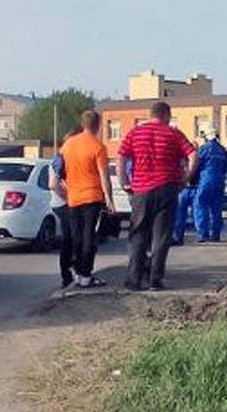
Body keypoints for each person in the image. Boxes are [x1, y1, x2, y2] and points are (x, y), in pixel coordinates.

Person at [118, 102, 197, 291]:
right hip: (167, 189)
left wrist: (124, 182)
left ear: (150, 114)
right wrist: (186, 178)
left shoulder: (135, 133)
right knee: (161, 237)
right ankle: (155, 279)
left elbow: (121, 157)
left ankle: (134, 280)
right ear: (167, 115)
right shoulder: (174, 133)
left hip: (141, 191)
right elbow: (193, 154)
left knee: (138, 235)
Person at [59, 112, 115, 288]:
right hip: (92, 197)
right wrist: (110, 199)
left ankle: (77, 273)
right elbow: (104, 177)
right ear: (98, 125)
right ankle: (85, 275)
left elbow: (59, 170)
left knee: (77, 237)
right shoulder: (98, 146)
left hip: (73, 197)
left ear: (83, 124)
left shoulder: (67, 145)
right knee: (89, 237)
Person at [48, 127, 81, 288]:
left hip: (63, 203)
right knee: (72, 238)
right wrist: (70, 198)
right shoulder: (61, 159)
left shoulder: (63, 157)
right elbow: (53, 185)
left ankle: (69, 274)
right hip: (63, 204)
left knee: (70, 238)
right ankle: (69, 272)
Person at [193, 133, 227, 242]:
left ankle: (203, 234)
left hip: (206, 180)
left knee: (200, 205)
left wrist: (193, 178)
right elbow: (226, 167)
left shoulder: (204, 149)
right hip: (220, 181)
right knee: (217, 208)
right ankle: (216, 234)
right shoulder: (222, 149)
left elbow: (196, 164)